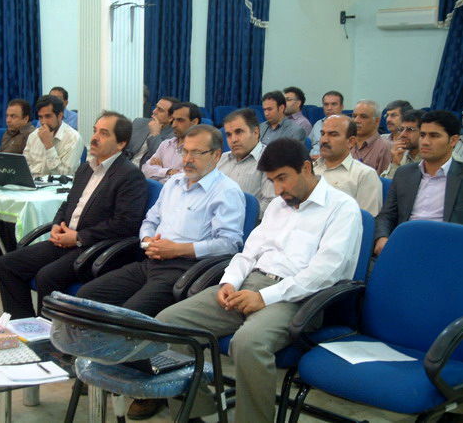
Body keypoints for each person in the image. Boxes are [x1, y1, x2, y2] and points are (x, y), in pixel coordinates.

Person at [153, 138, 362, 423]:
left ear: (305, 167)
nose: (278, 190)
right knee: (167, 323)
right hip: (249, 286)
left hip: (299, 299)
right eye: (272, 181)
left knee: (248, 343)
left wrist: (264, 297)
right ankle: (194, 412)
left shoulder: (341, 208)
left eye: (282, 179)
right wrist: (229, 282)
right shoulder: (277, 205)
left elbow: (325, 273)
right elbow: (248, 254)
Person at [77, 124, 245, 316]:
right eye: (185, 151)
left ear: (216, 155)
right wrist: (147, 241)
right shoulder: (174, 183)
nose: (187, 159)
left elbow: (229, 244)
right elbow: (150, 221)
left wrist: (178, 249)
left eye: (196, 153)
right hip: (151, 261)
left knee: (128, 314)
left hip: (186, 269)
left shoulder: (226, 191)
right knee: (87, 295)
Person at [0, 111, 148, 318]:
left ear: (121, 144)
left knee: (46, 276)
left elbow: (125, 224)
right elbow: (68, 204)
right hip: (66, 240)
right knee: (6, 265)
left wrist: (78, 237)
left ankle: (50, 334)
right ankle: (23, 324)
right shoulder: (85, 169)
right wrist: (57, 224)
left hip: (95, 247)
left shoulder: (130, 175)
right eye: (95, 131)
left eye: (104, 133)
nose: (94, 138)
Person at [374, 110, 463, 256]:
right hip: (405, 244)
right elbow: (386, 215)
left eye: (434, 136)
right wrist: (382, 238)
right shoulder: (404, 173)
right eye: (423, 135)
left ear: (453, 140)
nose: (425, 141)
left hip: (448, 250)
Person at [314, 115, 382, 216]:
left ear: (350, 142)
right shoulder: (310, 169)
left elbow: (366, 219)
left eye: (333, 135)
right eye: (322, 134)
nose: (324, 140)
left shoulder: (364, 175)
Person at [218, 108, 274, 214]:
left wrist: (232, 217)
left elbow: (270, 203)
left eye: (239, 132)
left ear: (256, 132)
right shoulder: (221, 159)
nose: (233, 140)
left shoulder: (270, 159)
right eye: (229, 135)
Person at [24, 95, 83, 177]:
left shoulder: (74, 138)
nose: (43, 122)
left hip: (57, 184)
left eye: (48, 116)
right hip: (32, 182)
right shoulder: (33, 136)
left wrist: (49, 145)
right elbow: (24, 166)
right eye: (40, 117)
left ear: (60, 116)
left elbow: (64, 175)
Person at [141, 102, 200, 183]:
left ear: (194, 122)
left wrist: (159, 170)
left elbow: (185, 179)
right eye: (173, 120)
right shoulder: (166, 144)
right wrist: (168, 171)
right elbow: (145, 170)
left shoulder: (200, 149)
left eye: (180, 120)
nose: (173, 125)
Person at [126, 96, 179, 167]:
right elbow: (124, 148)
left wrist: (155, 134)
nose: (154, 111)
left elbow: (160, 157)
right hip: (126, 166)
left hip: (148, 170)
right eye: (156, 107)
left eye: (160, 110)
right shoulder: (139, 122)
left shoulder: (174, 136)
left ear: (170, 118)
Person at [350, 100, 392, 175]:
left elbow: (383, 180)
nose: (356, 120)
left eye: (363, 117)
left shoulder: (385, 147)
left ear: (377, 121)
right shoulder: (345, 144)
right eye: (354, 116)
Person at [381, 109, 424, 179]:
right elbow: (387, 183)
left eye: (410, 130)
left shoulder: (429, 158)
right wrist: (395, 163)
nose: (402, 135)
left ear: (423, 133)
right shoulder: (400, 153)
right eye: (401, 129)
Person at [310, 91, 345, 157]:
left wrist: (321, 158)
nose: (329, 108)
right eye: (326, 104)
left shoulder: (347, 126)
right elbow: (308, 144)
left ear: (342, 107)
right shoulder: (318, 124)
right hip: (312, 160)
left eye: (334, 104)